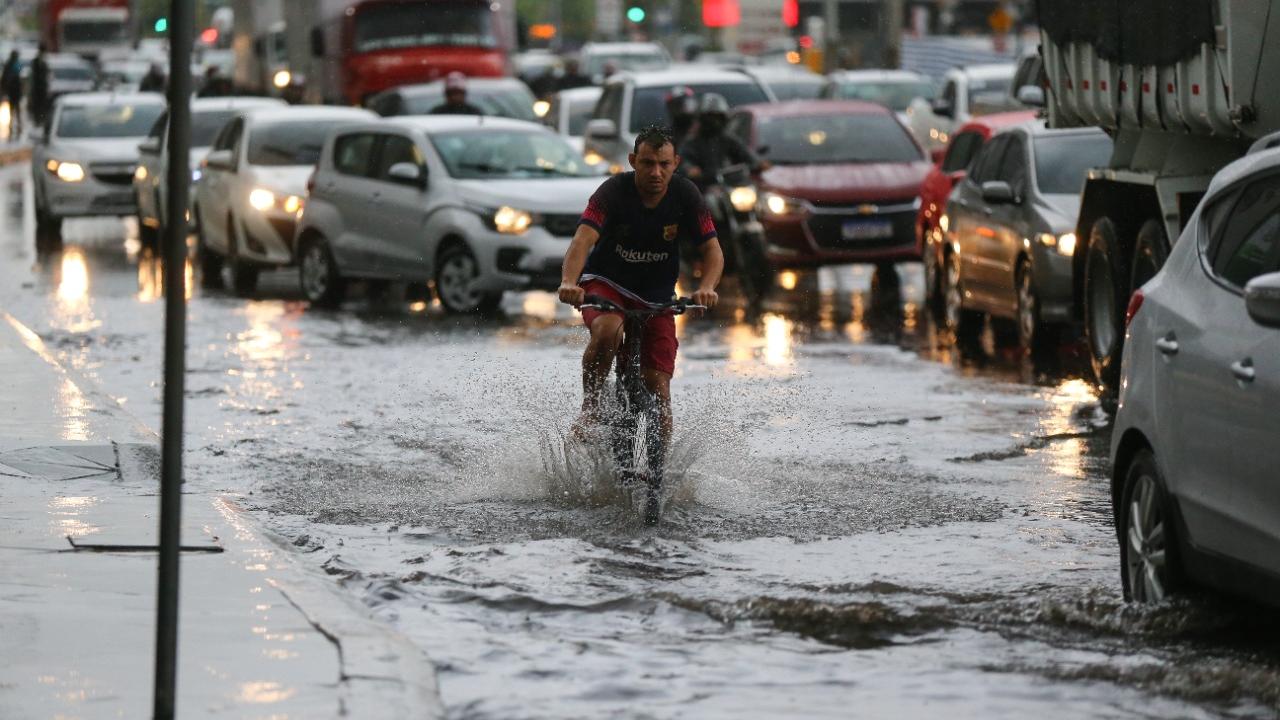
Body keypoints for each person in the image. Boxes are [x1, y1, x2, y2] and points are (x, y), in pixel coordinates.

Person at [558, 125, 724, 450]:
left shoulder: (687, 194)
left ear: (676, 162)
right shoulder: (612, 191)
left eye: (664, 164)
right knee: (607, 331)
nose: (656, 172)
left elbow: (712, 250)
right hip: (608, 285)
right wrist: (568, 282)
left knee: (658, 386)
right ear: (633, 160)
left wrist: (707, 287)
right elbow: (582, 240)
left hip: (657, 298)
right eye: (647, 163)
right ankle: (591, 408)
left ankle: (660, 470)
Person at [677, 93, 765, 187]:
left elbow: (745, 154)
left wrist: (758, 163)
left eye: (718, 117)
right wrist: (690, 169)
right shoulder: (692, 141)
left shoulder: (728, 139)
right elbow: (683, 160)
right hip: (700, 187)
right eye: (710, 117)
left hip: (726, 186)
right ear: (702, 118)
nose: (714, 121)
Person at [1, 51, 22, 140]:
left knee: (14, 111)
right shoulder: (13, 65)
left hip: (13, 92)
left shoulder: (13, 65)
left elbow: (4, 79)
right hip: (13, 92)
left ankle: (16, 129)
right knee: (15, 111)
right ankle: (15, 129)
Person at [29, 44, 49, 129]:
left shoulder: (44, 62)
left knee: (42, 105)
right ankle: (37, 120)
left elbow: (46, 75)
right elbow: (33, 76)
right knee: (37, 105)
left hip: (42, 88)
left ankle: (40, 120)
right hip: (37, 88)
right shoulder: (35, 61)